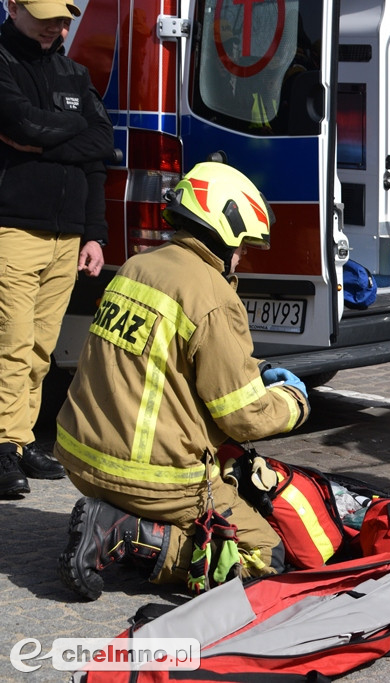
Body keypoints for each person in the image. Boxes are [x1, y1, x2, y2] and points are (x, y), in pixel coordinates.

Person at [55, 162, 311, 600]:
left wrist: (251, 371)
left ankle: (116, 516)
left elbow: (167, 362)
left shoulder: (137, 266)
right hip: (151, 479)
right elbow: (244, 418)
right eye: (243, 245)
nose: (242, 257)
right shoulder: (213, 295)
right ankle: (128, 535)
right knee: (265, 556)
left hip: (81, 459)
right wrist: (293, 401)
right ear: (222, 230)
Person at [0, 0, 114, 497]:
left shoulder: (74, 71)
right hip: (13, 230)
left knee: (42, 350)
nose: (58, 27)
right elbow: (22, 125)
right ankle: (3, 445)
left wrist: (94, 234)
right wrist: (64, 134)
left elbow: (103, 146)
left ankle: (21, 442)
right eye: (47, 16)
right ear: (12, 6)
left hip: (67, 237)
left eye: (66, 18)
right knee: (11, 344)